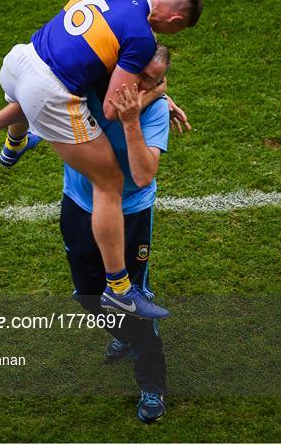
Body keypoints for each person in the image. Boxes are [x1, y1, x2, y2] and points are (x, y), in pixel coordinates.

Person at [0, 0, 202, 320]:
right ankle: (120, 290)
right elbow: (110, 109)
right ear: (176, 21)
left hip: (19, 62)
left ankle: (15, 141)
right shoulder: (141, 36)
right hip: (47, 93)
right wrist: (156, 91)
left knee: (32, 94)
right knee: (109, 183)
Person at [59, 45, 189, 423]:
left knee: (132, 303)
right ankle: (126, 334)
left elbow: (144, 173)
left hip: (129, 213)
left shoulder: (154, 112)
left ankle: (152, 384)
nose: (148, 84)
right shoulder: (92, 85)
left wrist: (134, 118)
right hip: (78, 203)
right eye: (143, 76)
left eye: (157, 80)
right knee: (87, 294)